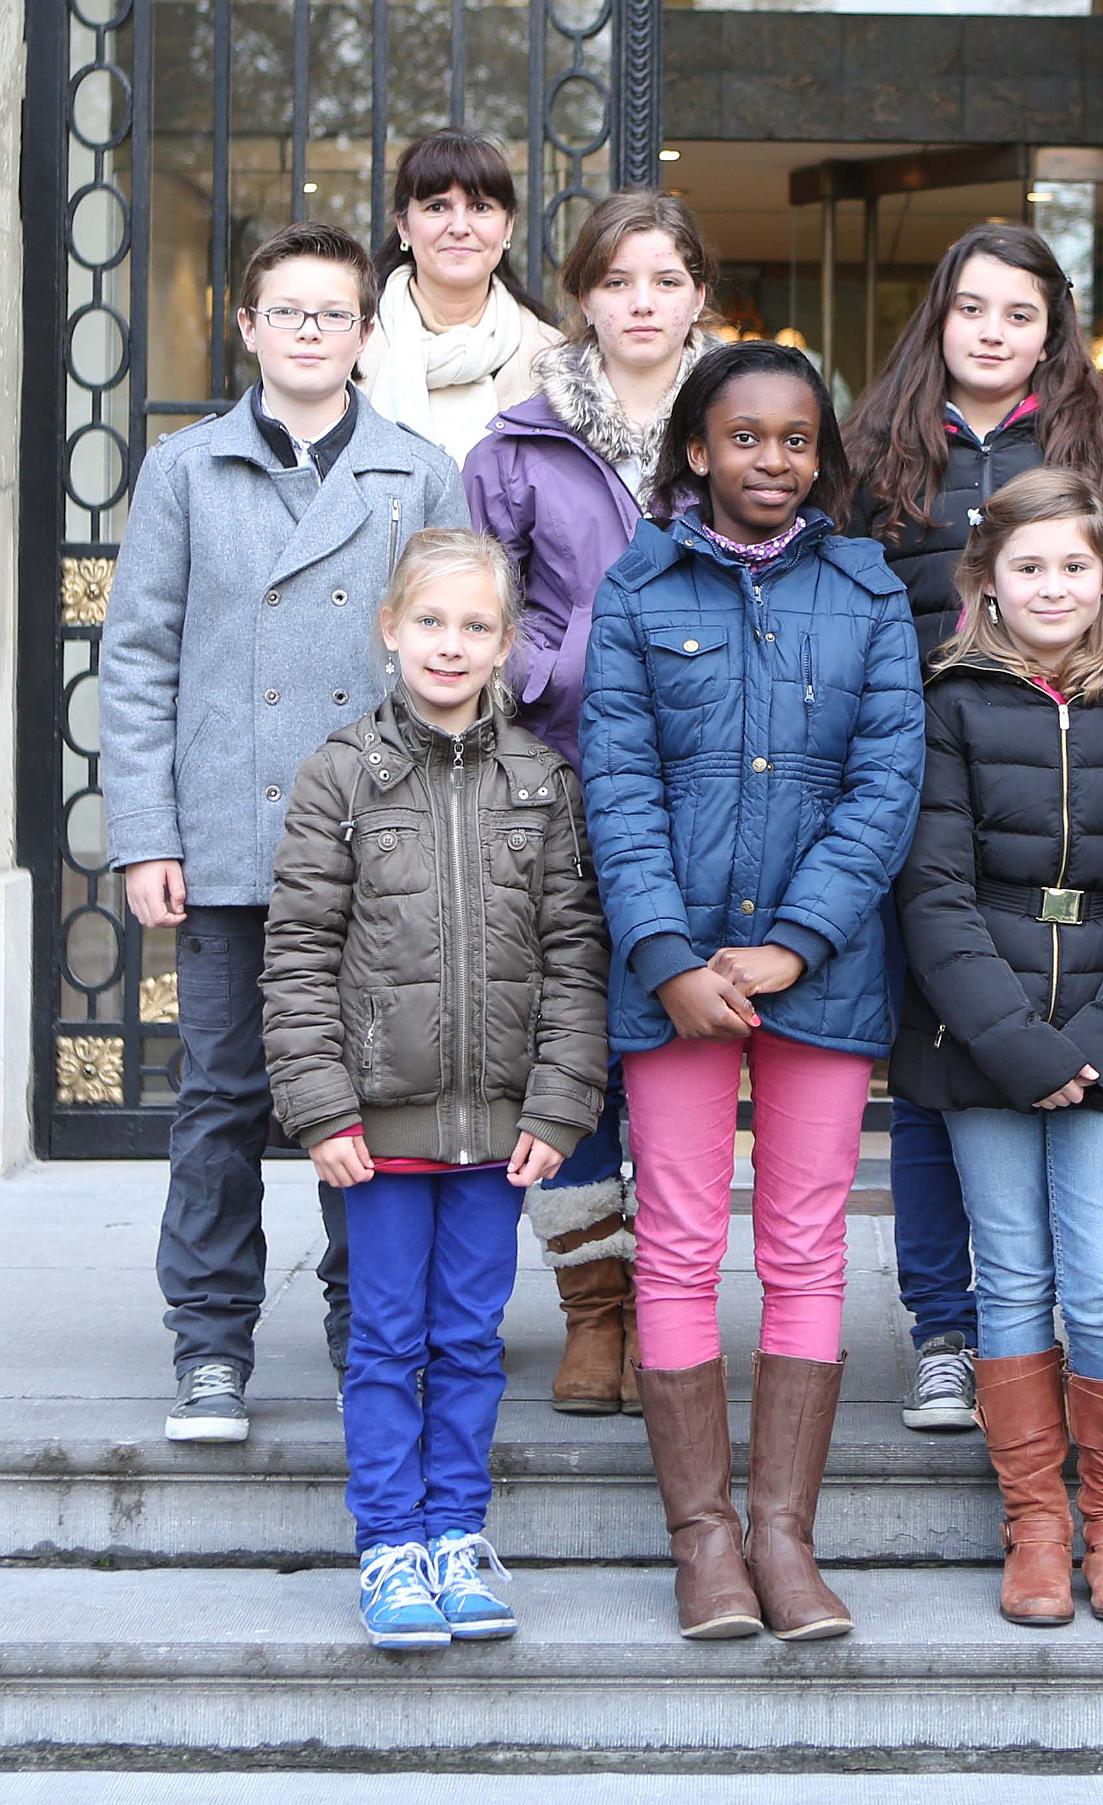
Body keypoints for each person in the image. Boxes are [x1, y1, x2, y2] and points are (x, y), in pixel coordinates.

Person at [100, 220, 467, 1446]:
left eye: (335, 314)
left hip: (385, 851)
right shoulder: (185, 470)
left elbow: (458, 656)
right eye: (287, 312)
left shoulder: (417, 471)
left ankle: (372, 1330)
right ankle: (208, 1342)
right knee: (219, 1096)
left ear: (367, 334)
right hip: (226, 842)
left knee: (378, 1097)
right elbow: (138, 657)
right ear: (247, 326)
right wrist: (149, 832)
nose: (311, 332)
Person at [582, 341, 924, 1642]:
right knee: (674, 1237)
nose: (770, 460)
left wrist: (793, 944)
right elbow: (616, 787)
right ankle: (704, 1540)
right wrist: (667, 955)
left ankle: (784, 1532)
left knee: (803, 1240)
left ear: (818, 453)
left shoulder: (868, 589)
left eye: (794, 439)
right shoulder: (635, 588)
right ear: (696, 453)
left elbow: (884, 786)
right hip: (669, 980)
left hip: (819, 976)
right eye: (744, 438)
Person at [844, 222, 1103, 1434]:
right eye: (970, 308)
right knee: (940, 1072)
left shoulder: (1102, 449)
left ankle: (1031, 1364)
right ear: (938, 316)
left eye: (1019, 313)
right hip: (932, 780)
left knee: (1058, 1165)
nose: (991, 332)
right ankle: (942, 1322)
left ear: (1055, 329)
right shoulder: (878, 449)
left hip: (1084, 783)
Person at [263, 528, 608, 1650]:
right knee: (385, 1335)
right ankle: (389, 1545)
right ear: (389, 628)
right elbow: (302, 951)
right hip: (379, 1120)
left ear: (506, 642)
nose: (450, 645)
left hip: (502, 1126)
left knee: (468, 1335)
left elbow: (572, 947)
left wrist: (559, 1103)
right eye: (430, 622)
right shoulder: (339, 774)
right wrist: (320, 1106)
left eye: (475, 626)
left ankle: (457, 1531)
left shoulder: (541, 781)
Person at [890, 468, 1103, 1627]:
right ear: (986, 582)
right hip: (980, 1038)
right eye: (1028, 566)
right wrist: (1017, 1044)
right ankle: (1036, 1522)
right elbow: (933, 891)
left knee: (1102, 1281)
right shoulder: (948, 699)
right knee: (1009, 1274)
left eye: (1074, 565)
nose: (1052, 585)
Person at [466, 189, 721, 1417]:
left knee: (669, 1037)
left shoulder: (741, 424)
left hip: (708, 781)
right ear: (581, 296)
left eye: (663, 280)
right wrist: (551, 665)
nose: (640, 303)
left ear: (696, 297)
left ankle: (665, 1292)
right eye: (617, 280)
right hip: (558, 776)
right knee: (565, 1042)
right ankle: (591, 1305)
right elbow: (479, 605)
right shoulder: (516, 444)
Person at [361, 129, 564, 466]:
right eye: (437, 206)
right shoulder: (350, 348)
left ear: (508, 226)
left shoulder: (553, 361)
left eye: (480, 207)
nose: (459, 226)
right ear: (404, 227)